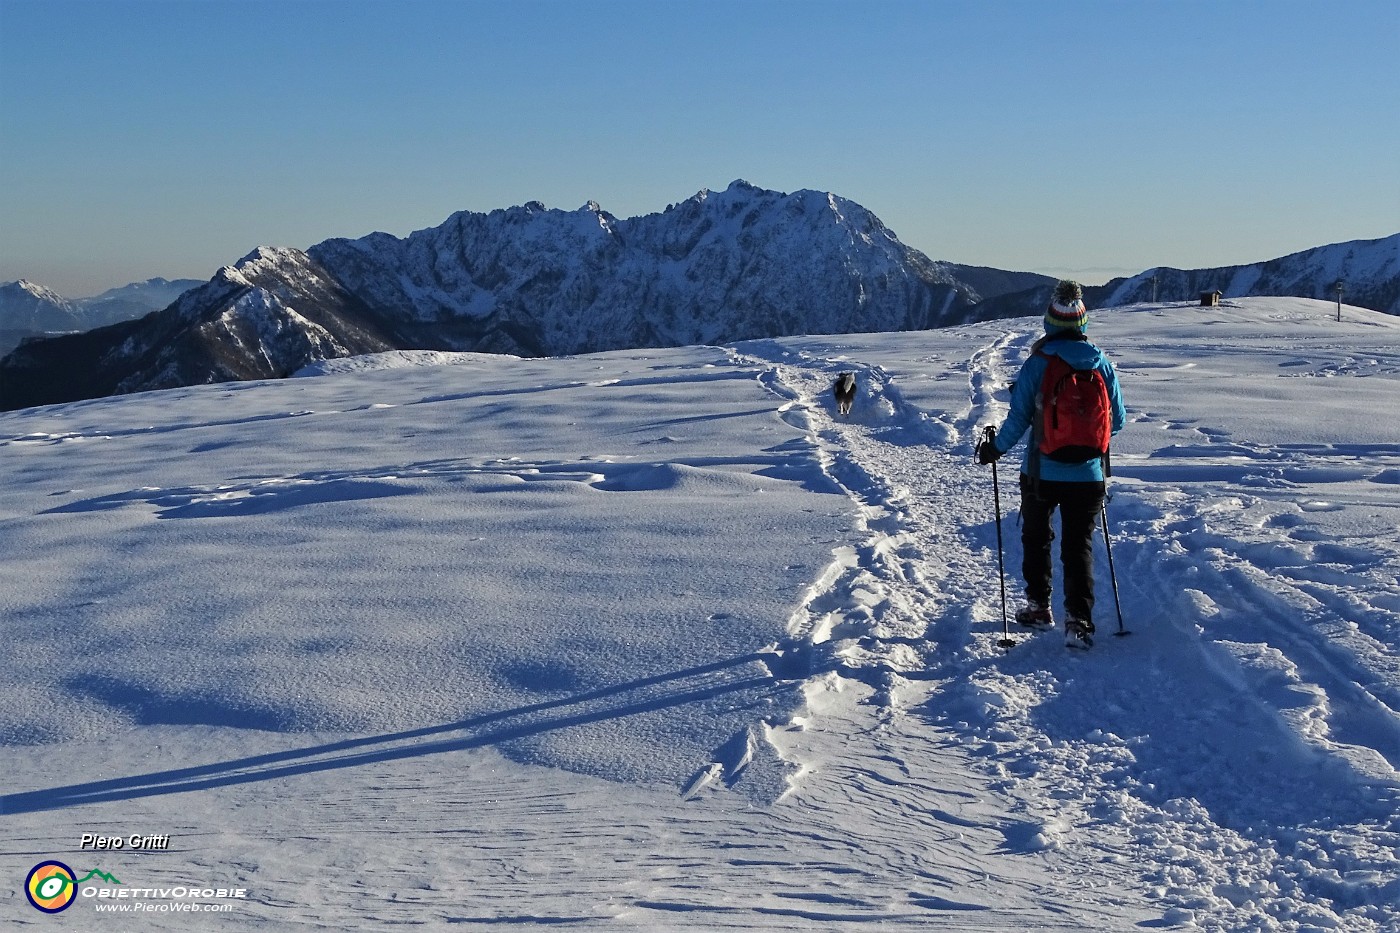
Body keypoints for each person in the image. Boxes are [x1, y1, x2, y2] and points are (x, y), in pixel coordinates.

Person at [977, 281, 1126, 648]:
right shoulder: (1101, 363)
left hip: (1041, 471)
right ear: (1082, 323)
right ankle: (1078, 621)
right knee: (1079, 547)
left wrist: (994, 449)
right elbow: (1117, 420)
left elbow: (1019, 420)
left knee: (1036, 538)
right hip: (1089, 473)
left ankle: (1039, 607)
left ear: (1049, 324)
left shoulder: (1037, 364)